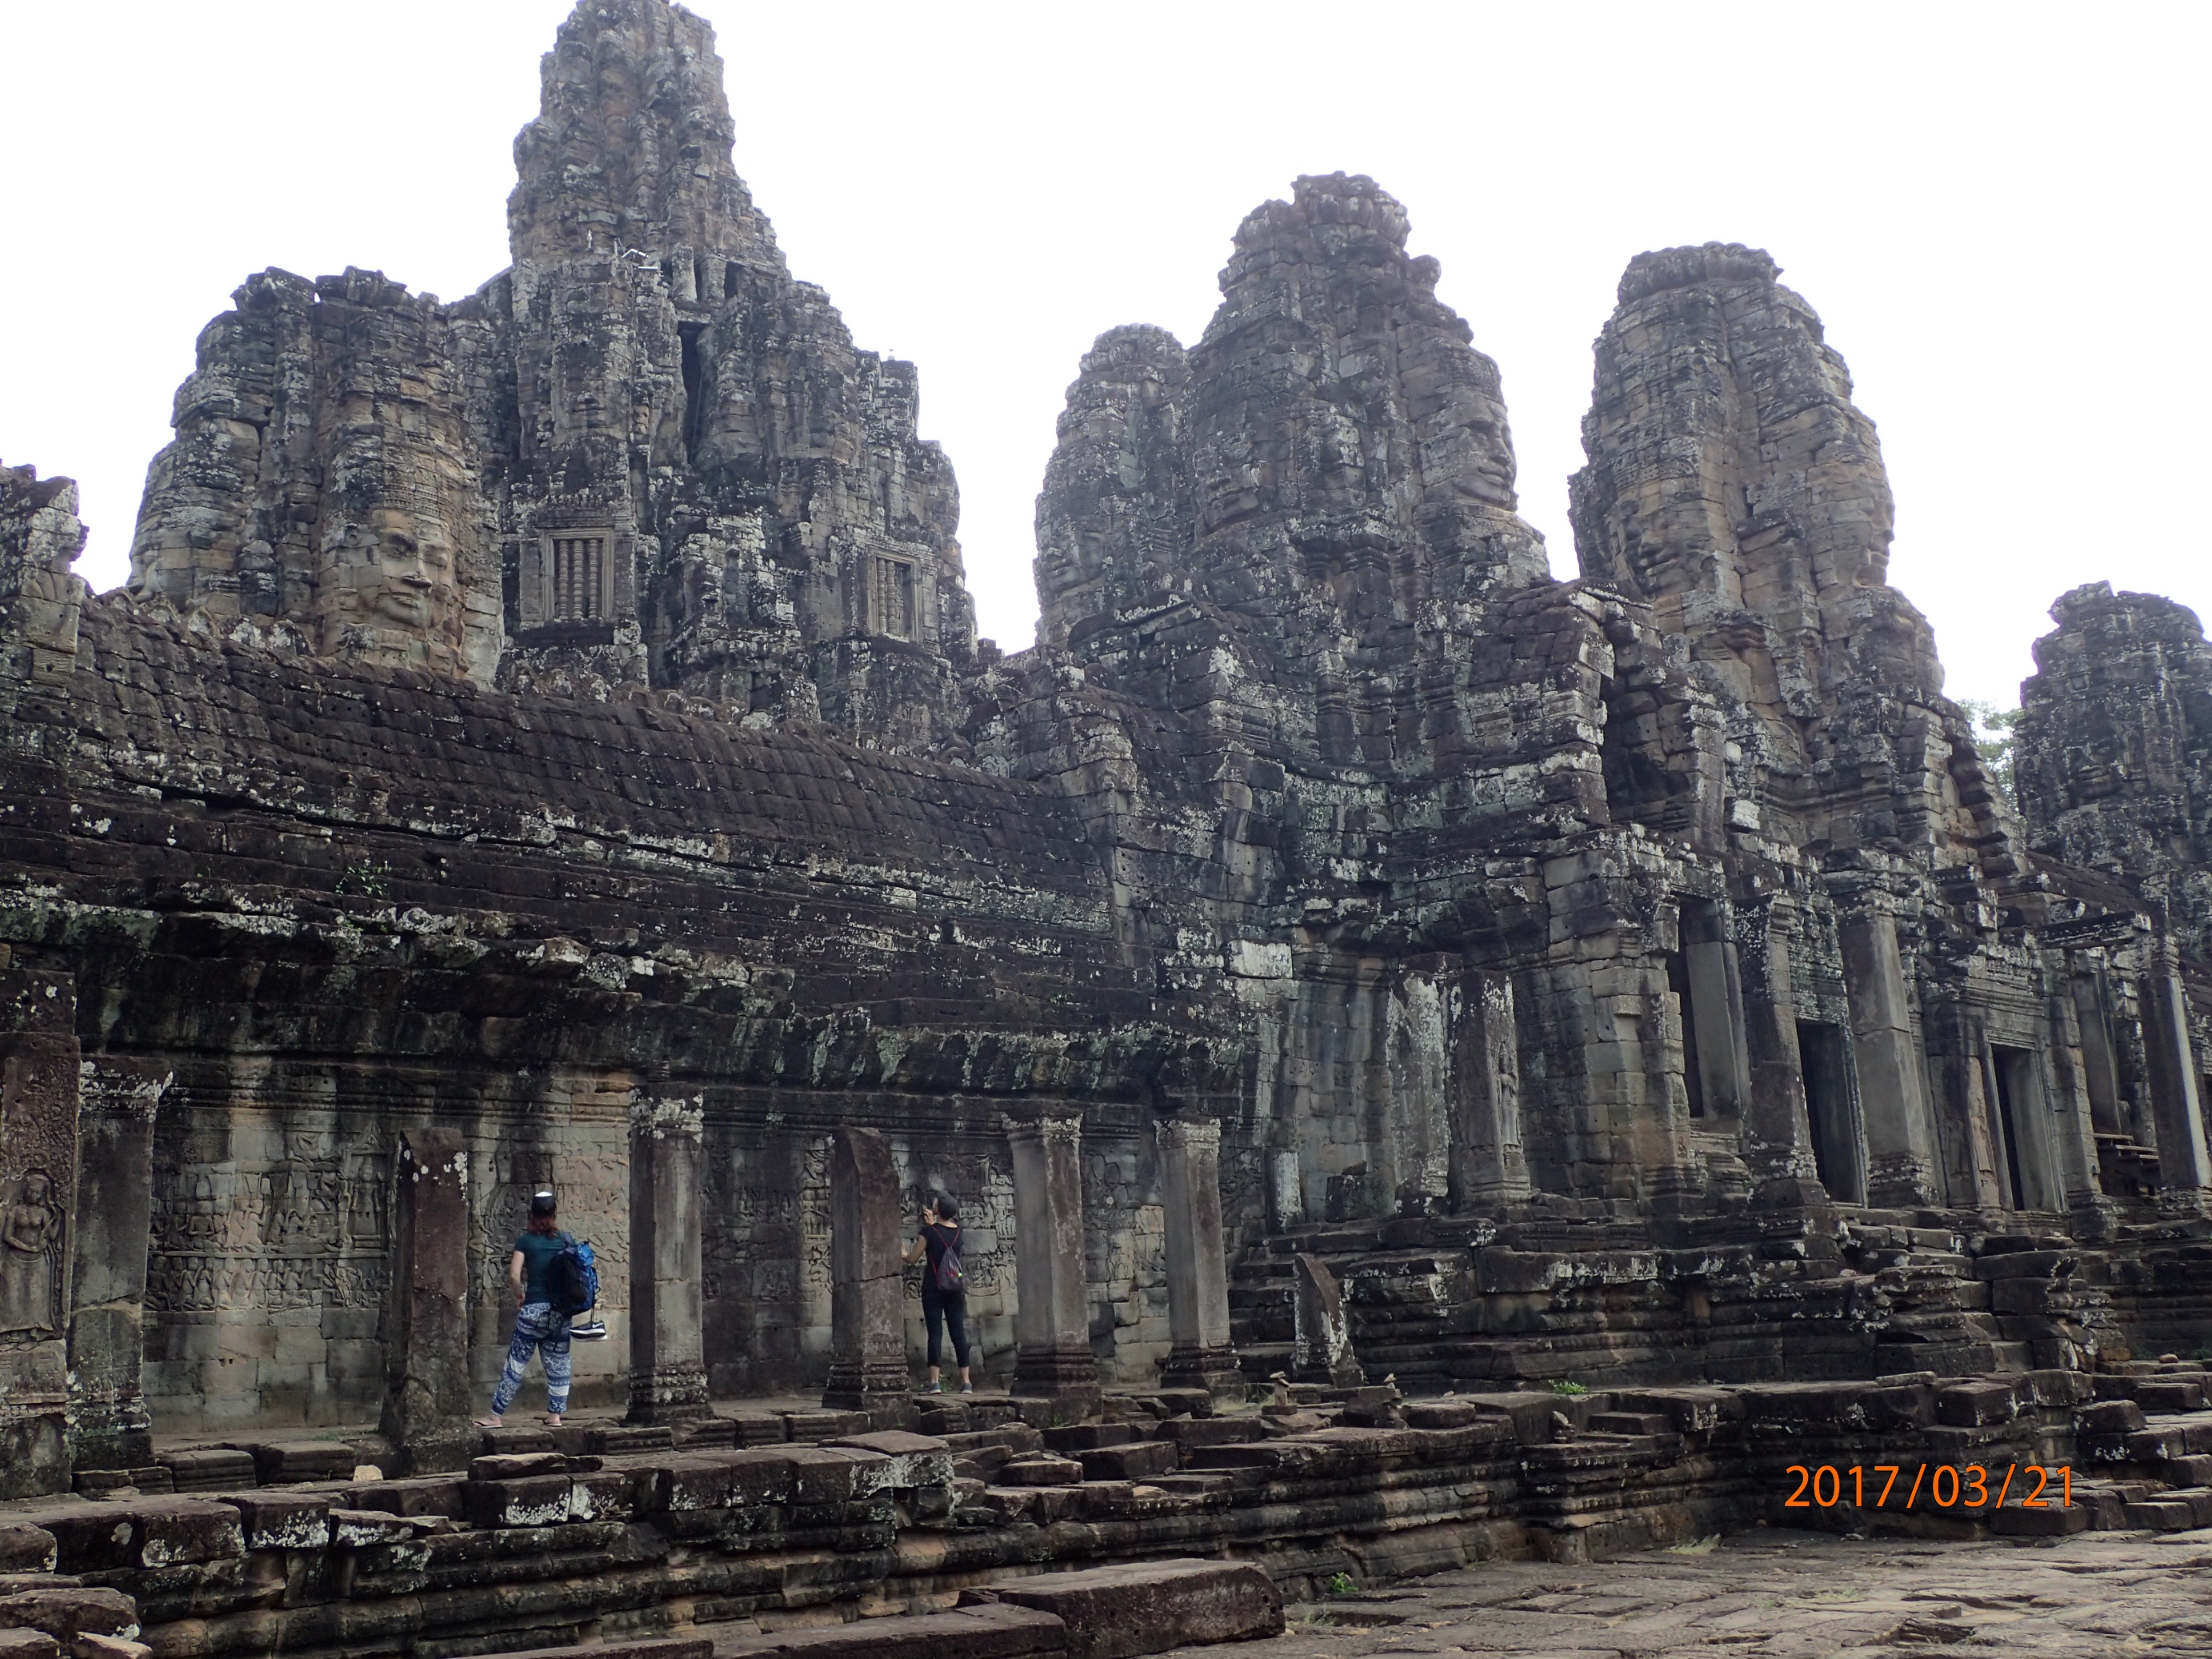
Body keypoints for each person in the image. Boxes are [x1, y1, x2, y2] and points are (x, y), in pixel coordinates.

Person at [477, 1190, 573, 1428]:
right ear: (553, 1213)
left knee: (516, 1364)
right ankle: (555, 1416)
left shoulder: (526, 1241)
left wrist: (520, 1295)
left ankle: (495, 1416)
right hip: (560, 1313)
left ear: (532, 1214)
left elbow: (514, 1274)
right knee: (558, 1364)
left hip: (533, 1311)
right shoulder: (565, 1240)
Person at [901, 1192, 971, 1394]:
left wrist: (904, 1254)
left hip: (934, 1287)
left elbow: (913, 1258)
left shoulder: (929, 1232)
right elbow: (944, 1237)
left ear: (938, 1210)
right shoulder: (959, 1232)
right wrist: (933, 1223)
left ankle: (935, 1383)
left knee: (935, 1333)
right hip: (955, 1288)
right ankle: (966, 1382)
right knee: (958, 1333)